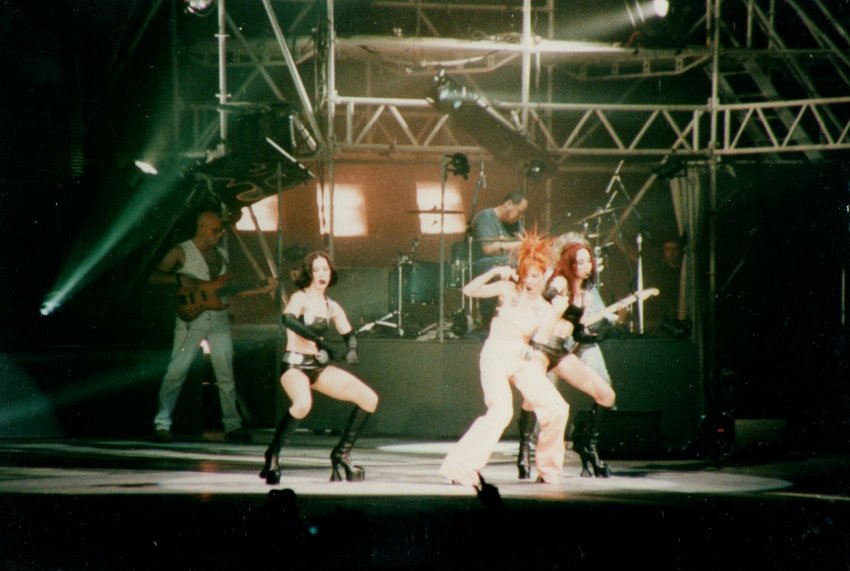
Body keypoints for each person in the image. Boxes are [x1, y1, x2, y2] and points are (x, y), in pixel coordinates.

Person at [439, 232, 569, 486]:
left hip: (521, 357)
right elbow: (469, 290)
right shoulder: (508, 289)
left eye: (535, 276)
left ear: (544, 276)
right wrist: (495, 271)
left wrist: (557, 312)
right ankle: (459, 468)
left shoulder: (545, 308)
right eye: (526, 274)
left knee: (557, 408)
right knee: (501, 410)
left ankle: (549, 470)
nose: (529, 281)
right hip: (495, 353)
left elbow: (541, 338)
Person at [259, 251, 379, 485]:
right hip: (295, 365)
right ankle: (272, 454)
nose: (322, 274)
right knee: (303, 404)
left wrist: (351, 349)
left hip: (318, 367)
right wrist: (320, 342)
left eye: (325, 269)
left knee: (369, 399)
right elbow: (288, 319)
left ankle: (341, 454)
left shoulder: (331, 305)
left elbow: (348, 333)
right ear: (309, 274)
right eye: (316, 270)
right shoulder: (300, 298)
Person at [150, 210, 263, 443]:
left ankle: (232, 425)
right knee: (176, 371)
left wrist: (261, 288)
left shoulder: (222, 254)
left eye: (221, 230)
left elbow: (224, 289)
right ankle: (162, 423)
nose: (219, 235)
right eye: (215, 230)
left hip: (218, 320)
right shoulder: (181, 251)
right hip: (190, 320)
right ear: (201, 228)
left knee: (225, 373)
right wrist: (178, 279)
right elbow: (154, 277)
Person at [515, 235, 617, 479]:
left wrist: (590, 333)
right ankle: (524, 451)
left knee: (607, 395)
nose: (586, 266)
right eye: (580, 262)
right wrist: (556, 297)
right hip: (541, 346)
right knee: (531, 399)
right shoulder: (560, 282)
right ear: (570, 264)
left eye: (588, 261)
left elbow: (577, 330)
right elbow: (547, 298)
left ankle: (589, 447)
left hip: (560, 350)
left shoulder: (587, 295)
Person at [470, 191, 529, 329]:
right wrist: (517, 245)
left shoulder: (516, 223)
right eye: (519, 212)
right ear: (508, 204)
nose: (520, 217)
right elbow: (488, 249)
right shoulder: (485, 218)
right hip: (489, 266)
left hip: (512, 265)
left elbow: (523, 244)